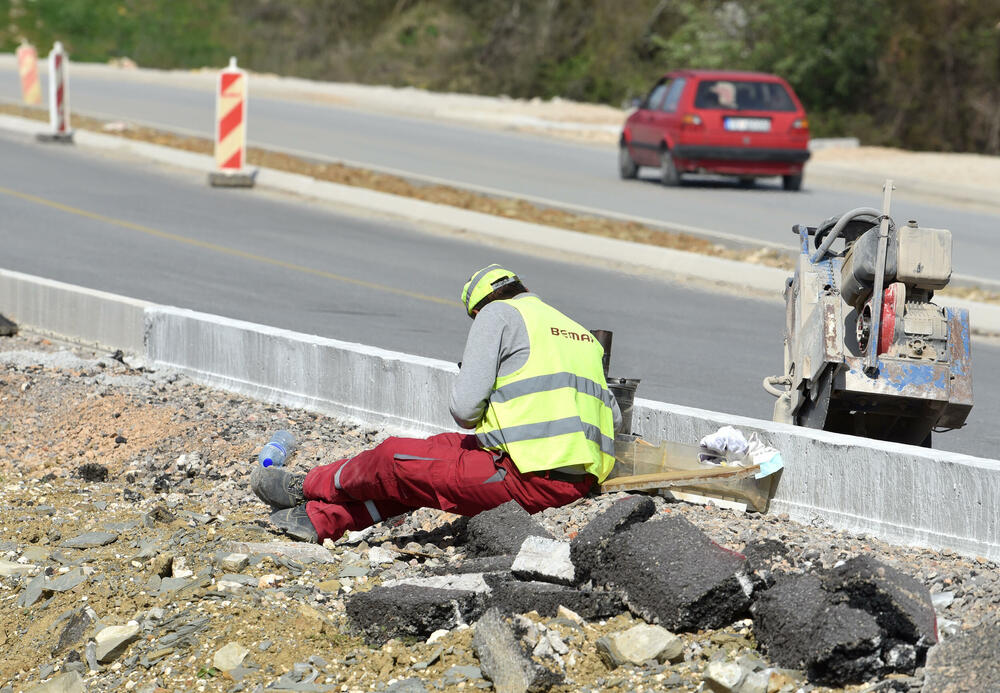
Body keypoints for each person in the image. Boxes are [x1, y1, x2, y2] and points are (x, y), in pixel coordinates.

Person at [250, 264, 622, 543]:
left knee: (395, 459)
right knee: (431, 455)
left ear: (478, 309)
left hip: (527, 478)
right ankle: (319, 520)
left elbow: (465, 411)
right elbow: (614, 417)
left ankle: (306, 487)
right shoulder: (578, 333)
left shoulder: (497, 315)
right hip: (571, 476)